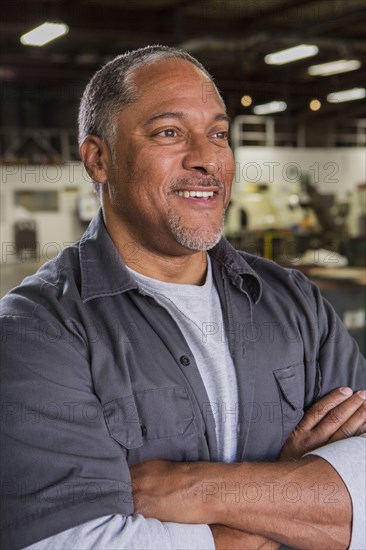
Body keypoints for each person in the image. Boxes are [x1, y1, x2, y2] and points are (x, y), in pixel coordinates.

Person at [0, 45, 365, 550]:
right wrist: (295, 494)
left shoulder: (296, 302)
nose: (206, 158)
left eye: (218, 134)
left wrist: (199, 489)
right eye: (169, 133)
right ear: (98, 159)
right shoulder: (36, 332)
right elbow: (74, 541)